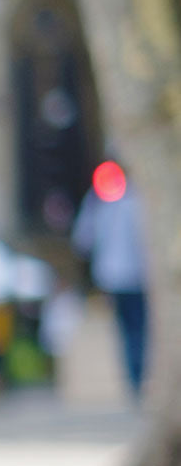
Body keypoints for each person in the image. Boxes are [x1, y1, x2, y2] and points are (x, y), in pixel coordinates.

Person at [72, 162, 149, 394]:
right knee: (139, 329)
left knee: (128, 331)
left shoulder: (97, 203)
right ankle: (139, 380)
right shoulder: (134, 199)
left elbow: (82, 241)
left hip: (115, 277)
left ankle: (136, 381)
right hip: (134, 276)